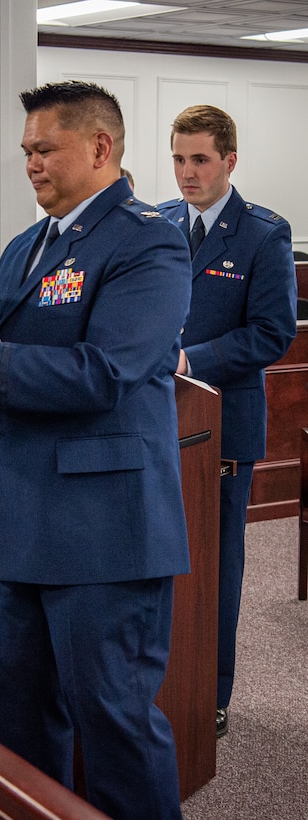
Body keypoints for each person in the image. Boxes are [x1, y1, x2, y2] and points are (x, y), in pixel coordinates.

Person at [0, 81, 192, 819]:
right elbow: (6, 361)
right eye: (26, 151)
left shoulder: (148, 238)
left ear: (100, 147)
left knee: (113, 727)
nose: (31, 164)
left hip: (103, 533)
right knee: (18, 732)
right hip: (18, 523)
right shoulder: (29, 245)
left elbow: (107, 371)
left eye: (44, 149)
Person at [157, 104, 297, 738]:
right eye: (180, 158)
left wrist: (194, 356)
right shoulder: (154, 223)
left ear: (229, 161)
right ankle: (161, 681)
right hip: (154, 420)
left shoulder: (262, 233)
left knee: (216, 565)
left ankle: (211, 694)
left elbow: (271, 334)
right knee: (155, 560)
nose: (187, 172)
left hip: (223, 427)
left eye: (200, 160)